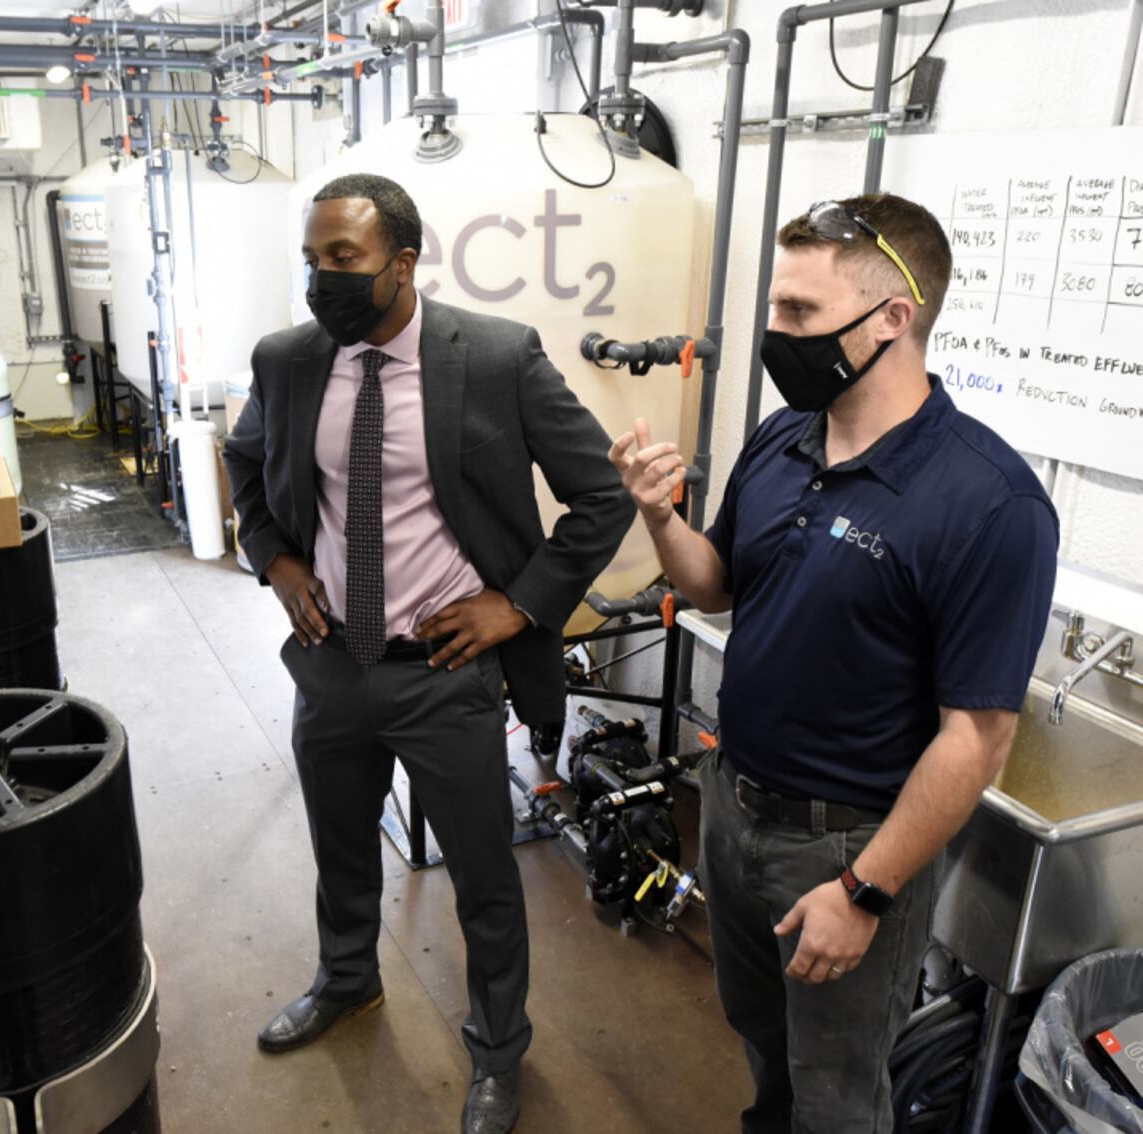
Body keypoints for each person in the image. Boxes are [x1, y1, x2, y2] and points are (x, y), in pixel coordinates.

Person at [611, 193, 1058, 1133]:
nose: (776, 334)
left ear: (894, 319)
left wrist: (864, 893)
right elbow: (716, 588)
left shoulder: (989, 503)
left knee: (840, 1093)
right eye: (777, 308)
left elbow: (975, 741)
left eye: (800, 316)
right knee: (765, 1044)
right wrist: (660, 518)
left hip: (847, 847)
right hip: (733, 806)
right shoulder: (783, 441)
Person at [223, 173, 634, 1134]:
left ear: (402, 264)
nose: (322, 280)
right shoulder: (290, 360)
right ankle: (347, 980)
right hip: (331, 663)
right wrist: (275, 557)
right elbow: (247, 461)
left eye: (344, 260)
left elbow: (601, 497)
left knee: (485, 879)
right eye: (312, 259)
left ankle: (496, 1050)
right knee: (338, 848)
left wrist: (519, 607)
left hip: (444, 673)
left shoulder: (493, 358)